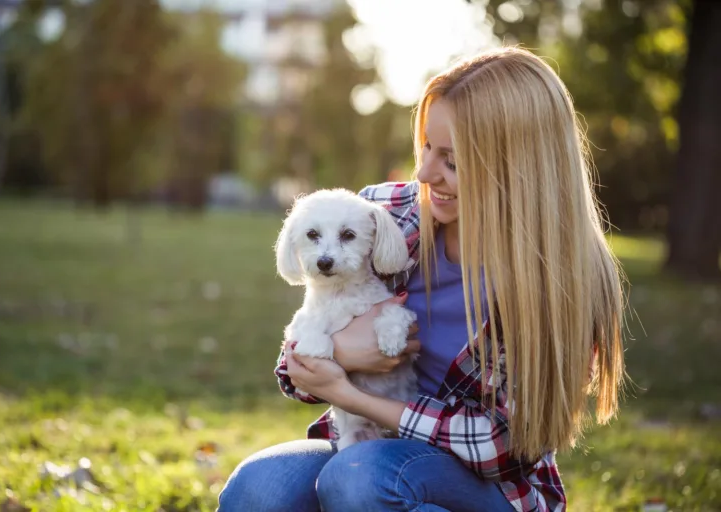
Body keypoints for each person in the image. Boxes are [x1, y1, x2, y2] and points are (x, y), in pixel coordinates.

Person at [218, 47, 625, 512]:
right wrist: (342, 353)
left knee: (360, 479)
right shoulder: (385, 214)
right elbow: (292, 370)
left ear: (517, 170)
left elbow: (498, 448)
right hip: (364, 449)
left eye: (451, 160)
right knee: (258, 488)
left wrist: (348, 393)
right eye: (427, 148)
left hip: (487, 486)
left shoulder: (560, 282)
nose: (426, 173)